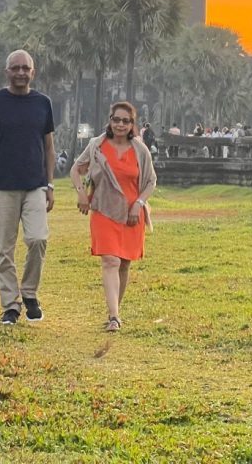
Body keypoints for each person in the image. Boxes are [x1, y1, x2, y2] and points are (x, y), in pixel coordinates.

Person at [0, 50, 56, 326]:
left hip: (35, 185)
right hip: (2, 186)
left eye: (25, 68)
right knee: (3, 249)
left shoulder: (43, 103)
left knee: (38, 239)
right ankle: (10, 305)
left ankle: (29, 293)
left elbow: (49, 147)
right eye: (15, 68)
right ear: (7, 71)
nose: (20, 72)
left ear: (34, 72)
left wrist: (50, 183)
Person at [71, 101, 156, 333]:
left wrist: (138, 204)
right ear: (109, 121)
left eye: (126, 121)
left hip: (131, 213)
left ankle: (114, 311)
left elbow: (150, 182)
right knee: (111, 260)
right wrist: (81, 194)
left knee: (124, 264)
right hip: (104, 210)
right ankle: (114, 316)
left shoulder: (140, 150)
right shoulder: (96, 145)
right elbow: (76, 169)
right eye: (116, 119)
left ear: (132, 125)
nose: (120, 124)